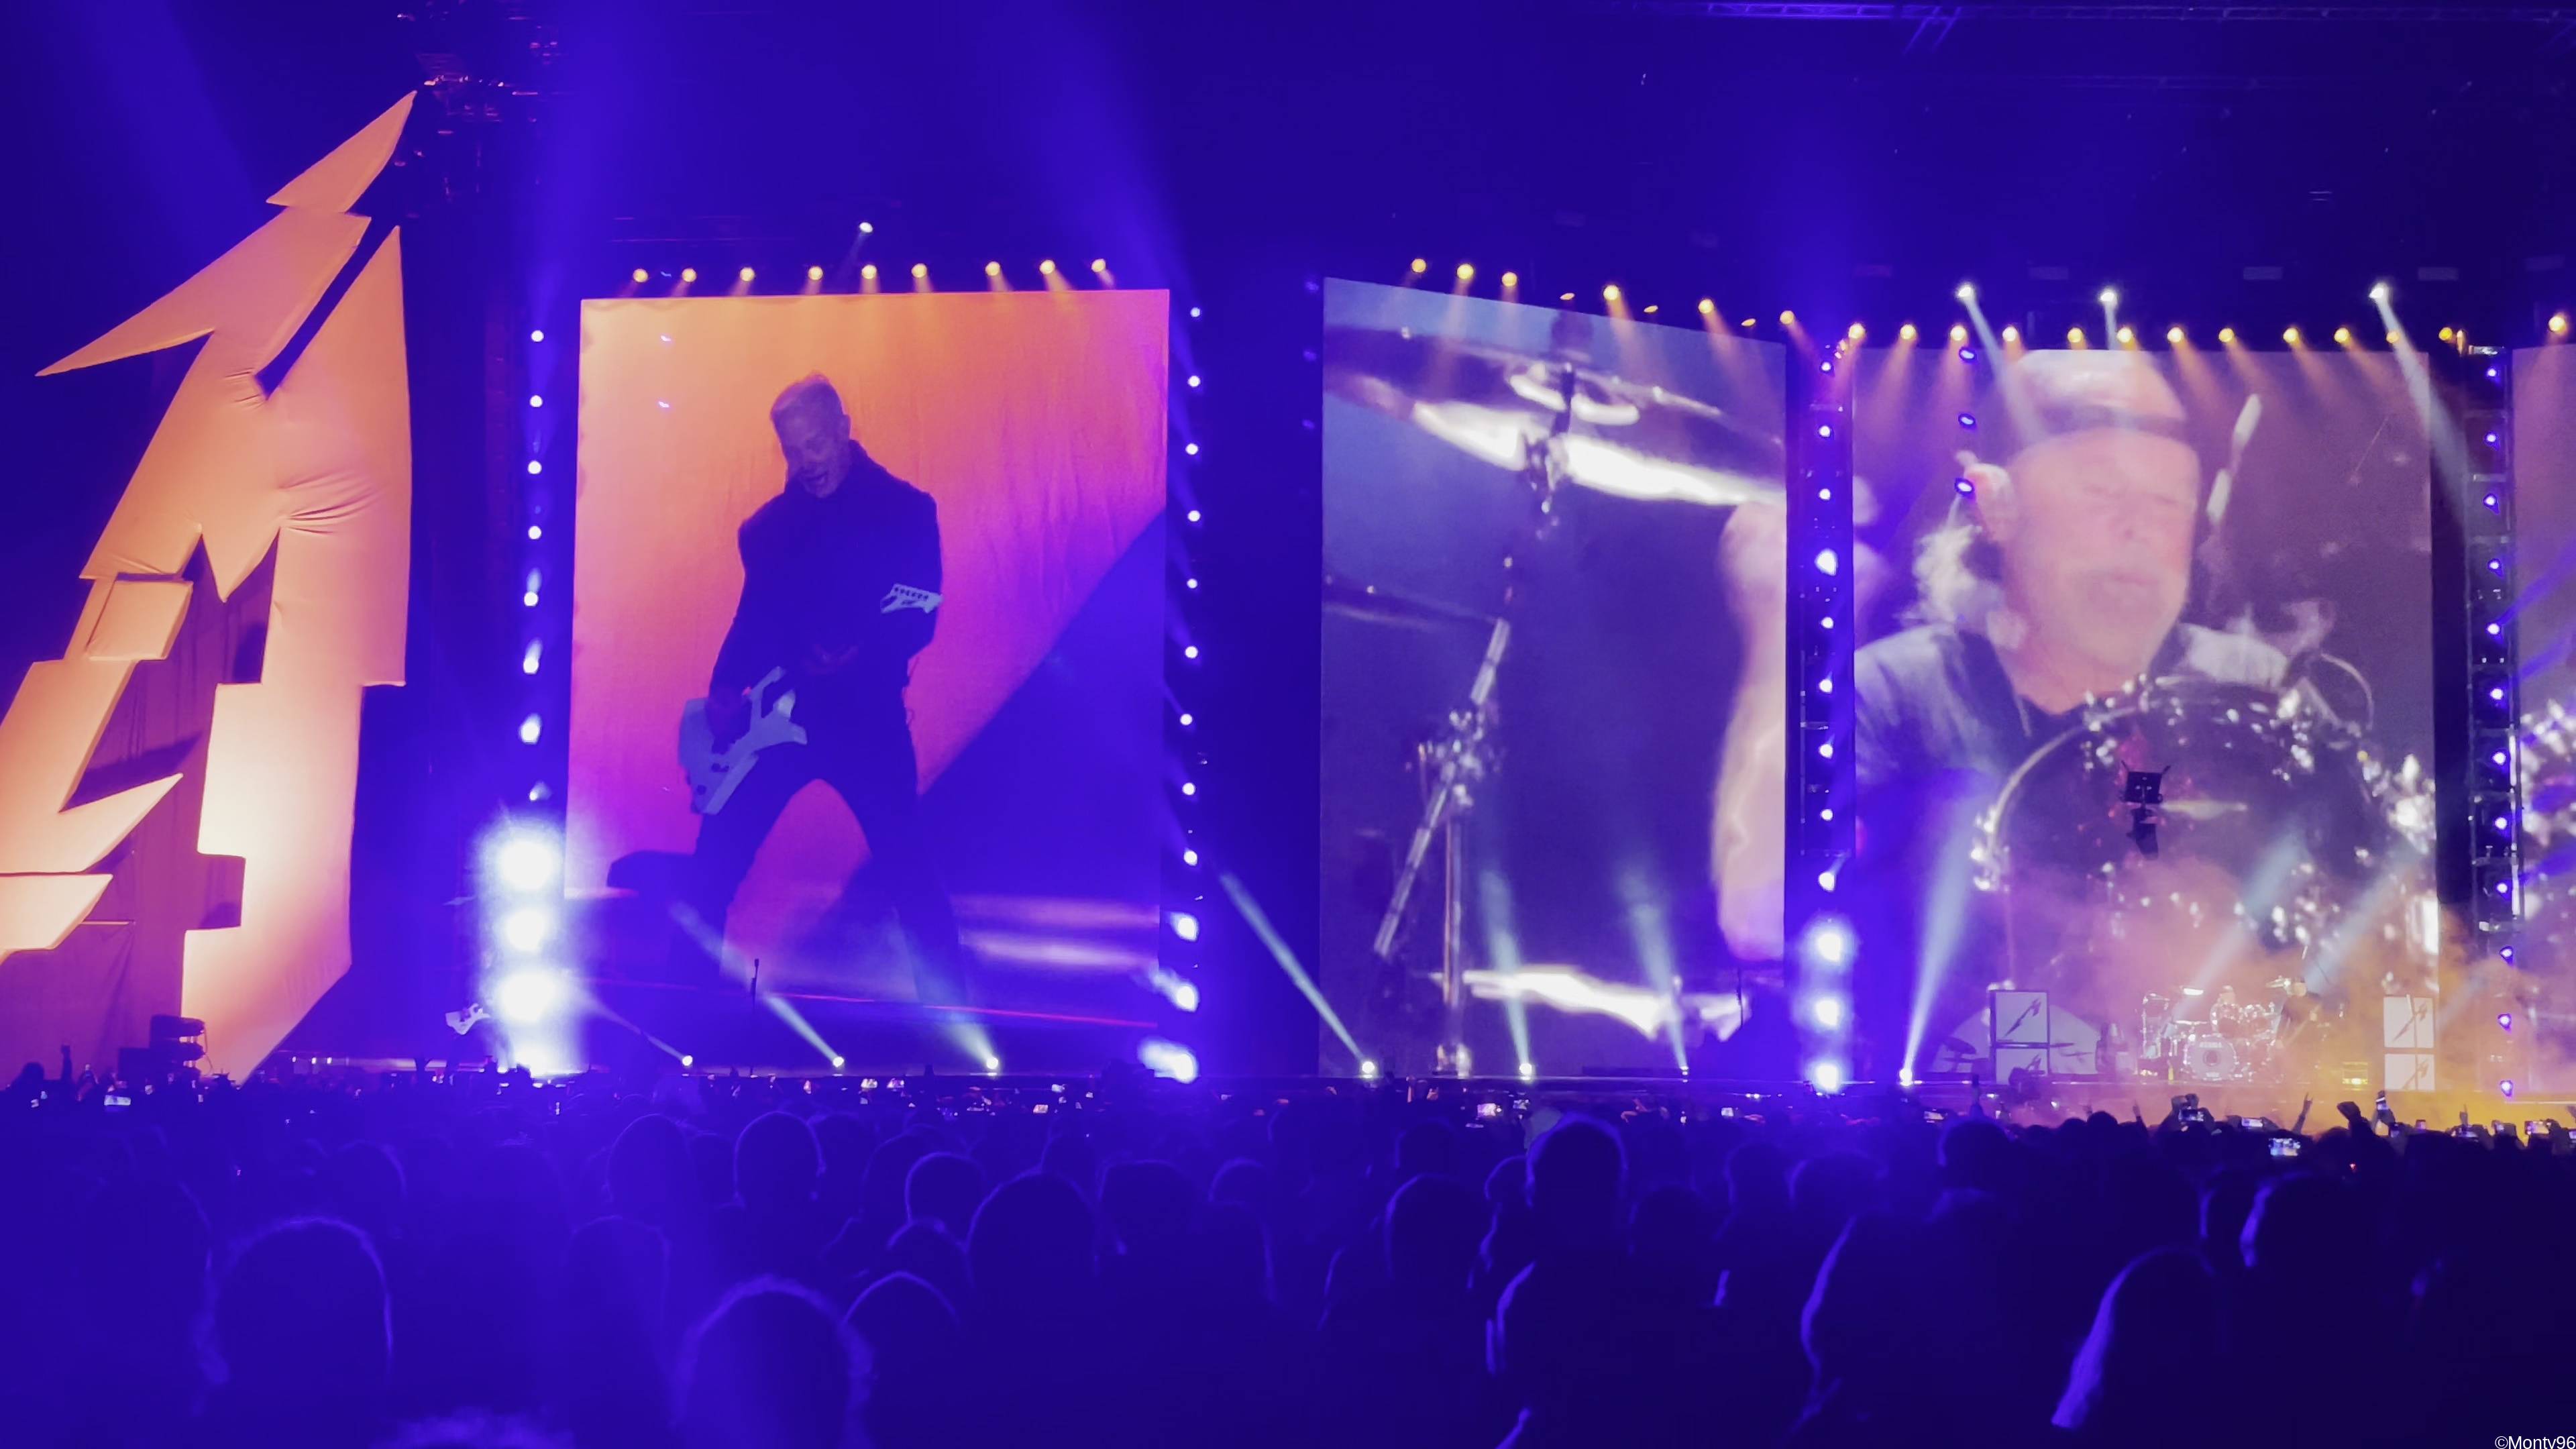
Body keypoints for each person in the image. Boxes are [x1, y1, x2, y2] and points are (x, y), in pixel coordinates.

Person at [1713, 351, 2298, 1061]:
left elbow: (2359, 908)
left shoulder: (2252, 691)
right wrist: (1779, 642)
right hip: (1971, 1100)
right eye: (2100, 493)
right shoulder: (1899, 696)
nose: (2138, 530)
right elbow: (1759, 917)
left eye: (2168, 502)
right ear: (1996, 504)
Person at [680, 374, 965, 1001]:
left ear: (843, 430)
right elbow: (753, 615)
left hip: (867, 722)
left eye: (815, 445)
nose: (806, 462)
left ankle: (951, 1017)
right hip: (778, 723)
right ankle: (688, 1015)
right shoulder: (767, 530)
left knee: (910, 876)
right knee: (714, 867)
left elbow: (921, 614)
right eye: (792, 450)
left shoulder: (906, 511)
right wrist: (726, 683)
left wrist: (864, 649)